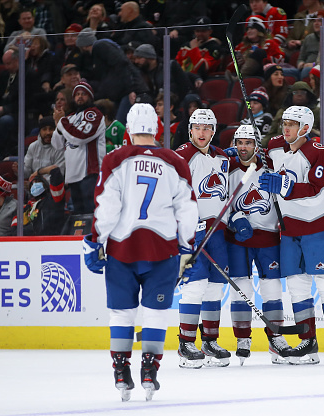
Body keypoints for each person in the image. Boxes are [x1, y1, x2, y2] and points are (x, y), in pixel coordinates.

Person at [83, 103, 200, 401]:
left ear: (129, 129)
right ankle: (150, 371)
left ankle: (121, 370)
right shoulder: (175, 161)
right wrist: (187, 246)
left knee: (122, 313)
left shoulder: (115, 159)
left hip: (122, 248)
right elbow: (187, 208)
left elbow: (107, 206)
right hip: (163, 249)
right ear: (157, 129)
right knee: (156, 313)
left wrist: (97, 240)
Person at [259, 105, 324, 365]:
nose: (285, 128)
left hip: (318, 225)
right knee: (297, 286)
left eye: (292, 124)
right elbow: (255, 159)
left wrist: (282, 185)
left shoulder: (318, 152)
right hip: (290, 229)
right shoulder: (274, 146)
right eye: (284, 122)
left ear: (305, 128)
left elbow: (314, 186)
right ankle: (308, 342)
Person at [225, 124, 292, 365]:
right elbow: (220, 204)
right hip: (238, 240)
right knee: (240, 287)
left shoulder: (272, 168)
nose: (243, 147)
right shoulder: (228, 168)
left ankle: (276, 338)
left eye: (248, 142)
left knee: (272, 288)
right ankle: (242, 338)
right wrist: (234, 218)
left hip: (268, 237)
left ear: (257, 145)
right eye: (240, 142)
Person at [175, 108, 232, 368]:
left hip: (218, 232)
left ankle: (209, 340)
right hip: (193, 233)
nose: (202, 132)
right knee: (194, 286)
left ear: (213, 130)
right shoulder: (182, 156)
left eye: (207, 128)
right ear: (190, 129)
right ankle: (186, 343)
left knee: (214, 288)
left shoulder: (221, 157)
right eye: (197, 127)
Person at [51, 80, 106, 214]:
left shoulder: (94, 114)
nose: (80, 97)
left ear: (90, 97)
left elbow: (80, 136)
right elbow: (57, 145)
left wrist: (61, 122)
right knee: (79, 218)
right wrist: (59, 125)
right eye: (77, 94)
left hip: (89, 173)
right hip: (73, 175)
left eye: (84, 94)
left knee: (91, 213)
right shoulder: (70, 118)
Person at [10, 167, 66, 236]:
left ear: (45, 185)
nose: (35, 185)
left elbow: (55, 170)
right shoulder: (23, 209)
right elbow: (14, 233)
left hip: (52, 242)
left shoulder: (54, 199)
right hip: (30, 244)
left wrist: (38, 172)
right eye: (32, 183)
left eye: (38, 182)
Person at [175, 16, 224, 89]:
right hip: (182, 80)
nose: (200, 34)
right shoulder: (185, 46)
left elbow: (203, 68)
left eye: (203, 31)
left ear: (210, 31)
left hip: (201, 82)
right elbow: (177, 64)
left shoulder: (214, 47)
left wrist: (194, 49)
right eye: (197, 31)